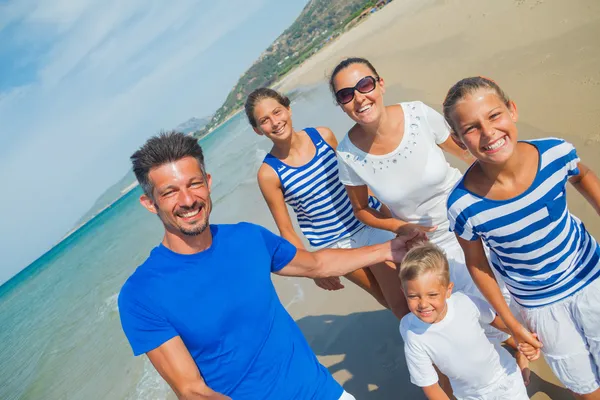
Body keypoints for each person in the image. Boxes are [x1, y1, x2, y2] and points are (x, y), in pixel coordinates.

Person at [117, 131, 420, 400]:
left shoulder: (248, 237)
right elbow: (191, 390)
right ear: (149, 202)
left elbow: (315, 264)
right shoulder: (141, 294)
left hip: (324, 392)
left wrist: (386, 249)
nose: (187, 200)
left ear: (208, 184)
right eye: (170, 192)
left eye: (194, 184)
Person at [444, 76, 600, 399]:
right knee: (586, 388)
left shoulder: (556, 153)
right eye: (471, 129)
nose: (488, 133)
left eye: (494, 116)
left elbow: (582, 174)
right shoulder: (463, 206)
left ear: (511, 110)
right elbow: (477, 265)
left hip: (590, 277)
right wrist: (512, 324)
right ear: (459, 142)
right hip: (539, 305)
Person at [245, 87, 407, 318]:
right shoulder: (269, 174)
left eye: (277, 112)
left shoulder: (322, 136)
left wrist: (388, 213)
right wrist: (311, 269)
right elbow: (287, 230)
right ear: (258, 129)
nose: (275, 122)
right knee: (385, 299)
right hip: (333, 246)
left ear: (288, 110)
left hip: (368, 224)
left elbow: (357, 180)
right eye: (265, 120)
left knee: (400, 297)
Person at [399, 242, 535, 400]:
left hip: (505, 378)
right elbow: (430, 386)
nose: (423, 304)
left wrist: (524, 336)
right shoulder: (412, 333)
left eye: (432, 295)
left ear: (448, 290)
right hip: (470, 395)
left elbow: (494, 321)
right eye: (413, 296)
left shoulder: (464, 302)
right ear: (403, 292)